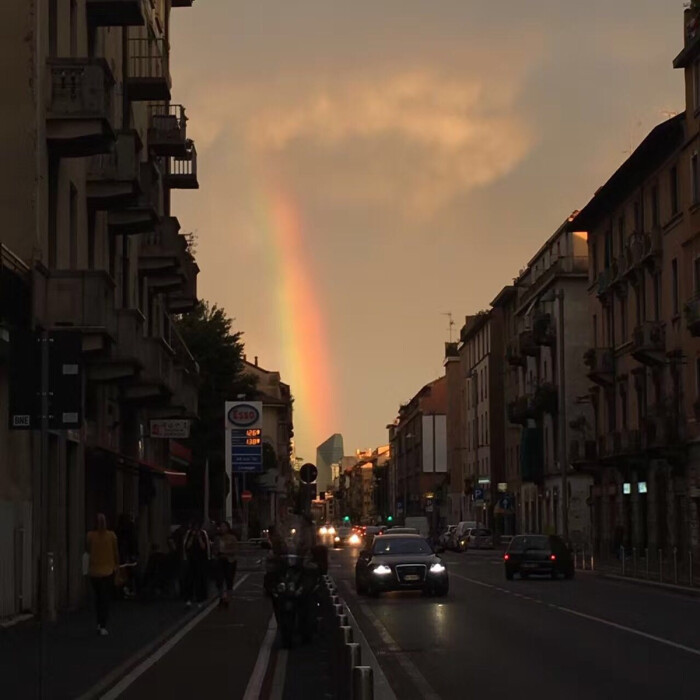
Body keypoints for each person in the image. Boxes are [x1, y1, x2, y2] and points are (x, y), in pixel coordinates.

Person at [86, 513, 119, 636]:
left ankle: (100, 623)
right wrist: (117, 566)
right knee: (104, 599)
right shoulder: (111, 536)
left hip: (96, 572)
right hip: (106, 571)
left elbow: (87, 552)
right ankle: (102, 624)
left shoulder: (90, 536)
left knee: (99, 598)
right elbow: (116, 553)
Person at [182, 521, 211, 607]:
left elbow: (204, 547)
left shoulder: (203, 534)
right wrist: (192, 537)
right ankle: (188, 598)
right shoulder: (189, 533)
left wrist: (199, 537)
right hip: (191, 560)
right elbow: (186, 546)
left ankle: (200, 599)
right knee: (189, 580)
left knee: (200, 580)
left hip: (201, 560)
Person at [214, 521, 238, 607]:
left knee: (229, 579)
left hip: (230, 561)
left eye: (224, 526)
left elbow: (235, 550)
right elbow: (215, 550)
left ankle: (228, 598)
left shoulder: (232, 538)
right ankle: (221, 597)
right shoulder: (217, 538)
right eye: (221, 526)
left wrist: (224, 551)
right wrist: (217, 552)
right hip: (220, 560)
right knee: (219, 579)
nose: (222, 528)